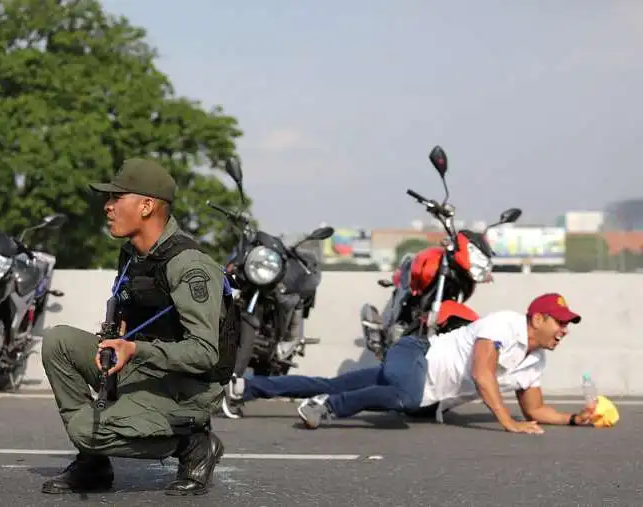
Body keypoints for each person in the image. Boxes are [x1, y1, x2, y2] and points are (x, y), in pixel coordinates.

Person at [39, 158, 229, 496]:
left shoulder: (190, 265)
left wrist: (135, 349)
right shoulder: (133, 254)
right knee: (59, 341)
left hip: (184, 388)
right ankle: (94, 466)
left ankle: (193, 443)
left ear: (146, 206)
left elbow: (205, 353)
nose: (107, 207)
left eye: (117, 198)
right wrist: (117, 339)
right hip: (142, 366)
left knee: (85, 429)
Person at [225, 293, 599, 433]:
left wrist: (573, 419)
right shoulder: (505, 324)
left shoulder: (535, 363)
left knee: (335, 382)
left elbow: (534, 408)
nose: (565, 330)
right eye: (560, 322)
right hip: (415, 352)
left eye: (568, 324)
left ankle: (247, 386)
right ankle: (326, 409)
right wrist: (507, 423)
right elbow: (481, 373)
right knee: (405, 400)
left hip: (418, 379)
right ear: (537, 319)